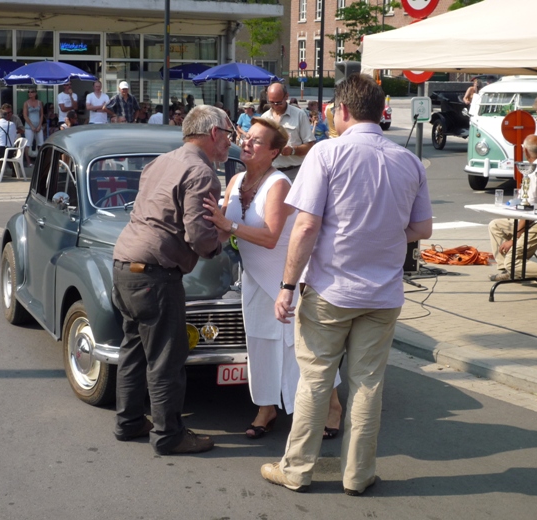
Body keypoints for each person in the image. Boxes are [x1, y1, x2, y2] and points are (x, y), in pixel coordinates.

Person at [260, 74, 432, 495]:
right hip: (384, 293)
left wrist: (286, 285)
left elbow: (305, 226)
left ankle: (297, 469)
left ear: (342, 110)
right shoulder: (407, 160)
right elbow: (422, 228)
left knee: (316, 379)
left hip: (331, 290)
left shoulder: (327, 153)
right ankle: (357, 474)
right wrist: (383, 232)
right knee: (368, 384)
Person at [111, 105, 233, 455]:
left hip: (124, 263)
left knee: (133, 348)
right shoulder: (201, 172)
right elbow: (198, 233)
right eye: (228, 134)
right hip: (155, 273)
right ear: (213, 134)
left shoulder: (161, 162)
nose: (229, 142)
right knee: (166, 357)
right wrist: (220, 242)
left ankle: (130, 421)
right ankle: (168, 435)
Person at [202, 117, 302, 438]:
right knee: (259, 342)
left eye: (257, 141)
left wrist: (227, 226)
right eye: (247, 137)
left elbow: (270, 236)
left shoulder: (279, 184)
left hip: (283, 278)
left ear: (273, 153)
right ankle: (266, 408)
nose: (246, 143)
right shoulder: (235, 181)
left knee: (293, 347)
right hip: (254, 276)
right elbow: (220, 232)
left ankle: (327, 408)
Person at [488, 134, 537, 286]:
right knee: (495, 225)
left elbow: (528, 211)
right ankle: (507, 271)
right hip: (536, 218)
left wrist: (515, 238)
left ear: (526, 151)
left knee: (513, 262)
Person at [260, 82, 315, 179]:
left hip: (294, 172)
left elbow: (310, 145)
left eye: (278, 102)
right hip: (270, 172)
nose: (275, 105)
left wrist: (293, 150)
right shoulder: (264, 118)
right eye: (272, 102)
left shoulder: (299, 115)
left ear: (286, 97)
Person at [23, 88, 44, 167]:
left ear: (35, 93)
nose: (30, 93)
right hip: (29, 126)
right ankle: (29, 162)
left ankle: (41, 161)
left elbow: (41, 114)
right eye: (29, 92)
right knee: (28, 144)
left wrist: (39, 125)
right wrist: (31, 126)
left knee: (41, 143)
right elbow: (25, 115)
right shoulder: (26, 103)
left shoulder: (39, 103)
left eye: (32, 92)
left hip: (38, 124)